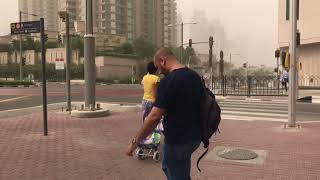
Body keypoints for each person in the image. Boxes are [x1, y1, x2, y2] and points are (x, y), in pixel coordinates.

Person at [126, 48, 203, 180]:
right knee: (174, 169)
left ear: (163, 60)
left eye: (158, 67)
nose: (159, 72)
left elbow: (154, 117)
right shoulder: (195, 76)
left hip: (177, 141)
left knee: (174, 173)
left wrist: (135, 143)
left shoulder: (170, 81)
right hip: (195, 138)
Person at [141, 62, 160, 144]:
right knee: (155, 121)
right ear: (155, 69)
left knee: (145, 120)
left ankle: (144, 138)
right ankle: (155, 139)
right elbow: (156, 92)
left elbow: (144, 89)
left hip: (144, 101)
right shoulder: (156, 78)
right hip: (152, 102)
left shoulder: (144, 77)